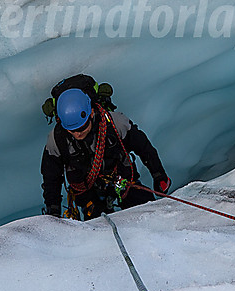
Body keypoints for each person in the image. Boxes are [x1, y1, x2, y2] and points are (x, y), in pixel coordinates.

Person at [41, 86, 171, 220]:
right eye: (72, 130)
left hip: (121, 179)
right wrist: (53, 210)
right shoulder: (57, 140)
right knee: (97, 221)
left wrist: (159, 175)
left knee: (147, 209)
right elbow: (51, 178)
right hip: (87, 192)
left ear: (91, 113)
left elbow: (144, 148)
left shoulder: (116, 124)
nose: (78, 133)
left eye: (82, 127)